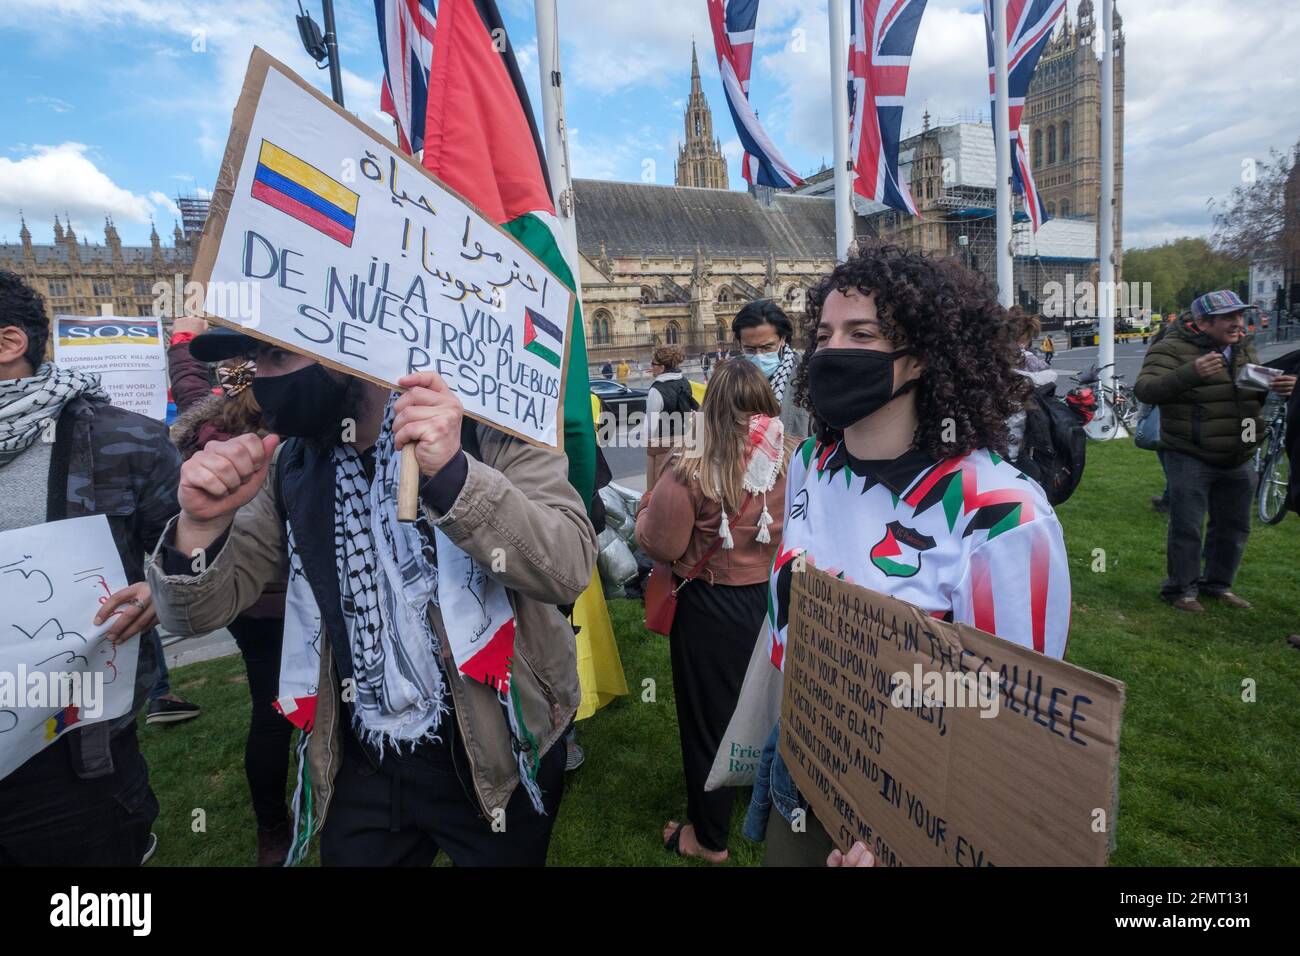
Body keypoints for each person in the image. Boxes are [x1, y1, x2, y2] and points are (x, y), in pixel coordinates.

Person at [146, 331, 597, 866]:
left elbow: (568, 566)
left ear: (352, 342)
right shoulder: (293, 464)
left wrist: (454, 473)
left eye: (277, 355)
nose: (260, 381)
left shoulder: (485, 425)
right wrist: (200, 526)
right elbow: (195, 613)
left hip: (495, 745)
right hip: (364, 754)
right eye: (253, 360)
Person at [742, 245, 1071, 866]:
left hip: (913, 810)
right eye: (823, 334)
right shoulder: (812, 463)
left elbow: (1013, 723)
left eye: (861, 334)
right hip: (802, 765)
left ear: (920, 356)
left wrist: (916, 842)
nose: (830, 352)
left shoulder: (1001, 514)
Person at [0, 271, 179, 865]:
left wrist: (163, 590)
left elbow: (186, 557)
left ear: (9, 343)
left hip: (71, 757)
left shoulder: (123, 440)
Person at [636, 359, 796, 863]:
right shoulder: (796, 456)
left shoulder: (693, 465)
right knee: (770, 705)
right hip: (774, 599)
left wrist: (643, 510)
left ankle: (706, 839)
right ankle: (765, 790)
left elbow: (660, 544)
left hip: (712, 604)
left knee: (710, 719)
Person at [167, 316, 293, 865]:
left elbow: (189, 385)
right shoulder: (281, 429)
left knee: (269, 711)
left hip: (248, 602)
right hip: (284, 592)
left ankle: (274, 829)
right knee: (299, 705)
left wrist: (181, 341)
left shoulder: (206, 423)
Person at [1134, 291, 1296, 613]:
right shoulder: (1170, 347)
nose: (1238, 323)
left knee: (1234, 526)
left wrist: (1274, 389)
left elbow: (1246, 394)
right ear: (1203, 322)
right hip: (1190, 453)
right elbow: (1145, 390)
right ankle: (1180, 590)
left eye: (1240, 315)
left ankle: (1218, 584)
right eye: (1229, 317)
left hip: (1239, 453)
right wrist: (1191, 372)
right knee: (1188, 526)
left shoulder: (1242, 348)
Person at [732, 299, 811, 438]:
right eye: (750, 349)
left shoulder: (806, 375)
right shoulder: (729, 378)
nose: (759, 356)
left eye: (767, 347)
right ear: (740, 344)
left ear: (782, 339)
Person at [644, 345, 699, 491]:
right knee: (683, 488)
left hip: (664, 446)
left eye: (653, 364)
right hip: (687, 443)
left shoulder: (656, 390)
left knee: (659, 489)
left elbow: (650, 425)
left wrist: (648, 444)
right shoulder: (684, 382)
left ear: (661, 368)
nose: (651, 367)